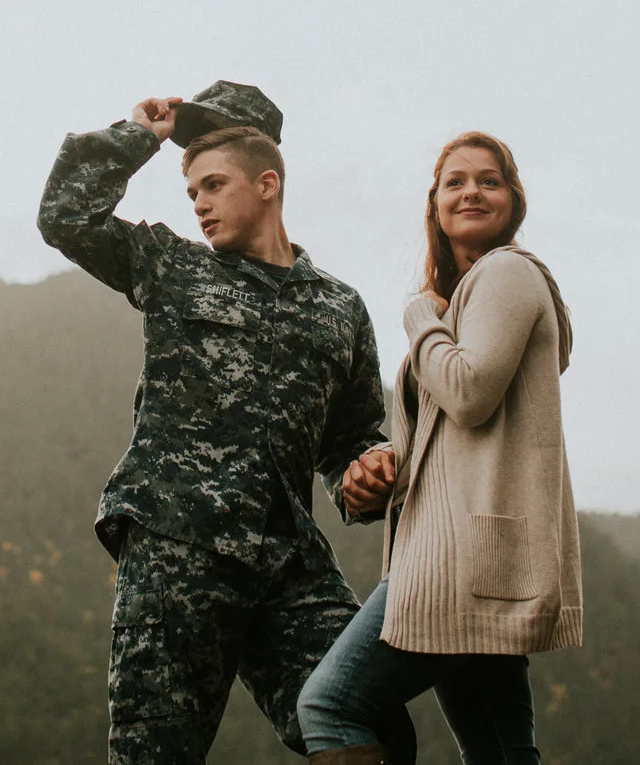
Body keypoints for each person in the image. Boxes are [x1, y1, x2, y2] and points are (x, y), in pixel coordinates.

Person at [38, 80, 389, 765]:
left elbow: (352, 440)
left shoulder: (339, 308)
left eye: (212, 183)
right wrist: (137, 135)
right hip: (177, 549)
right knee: (155, 752)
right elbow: (65, 216)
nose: (196, 201)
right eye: (190, 188)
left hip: (289, 564)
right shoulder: (171, 267)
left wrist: (364, 474)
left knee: (366, 721)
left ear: (267, 184)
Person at [296, 131, 580, 765]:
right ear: (435, 203)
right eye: (455, 181)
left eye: (489, 179)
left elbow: (471, 392)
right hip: (481, 551)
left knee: (331, 706)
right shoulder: (464, 302)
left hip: (454, 561)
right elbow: (451, 435)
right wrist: (385, 468)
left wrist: (418, 316)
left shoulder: (505, 272)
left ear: (514, 200)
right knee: (500, 751)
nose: (471, 191)